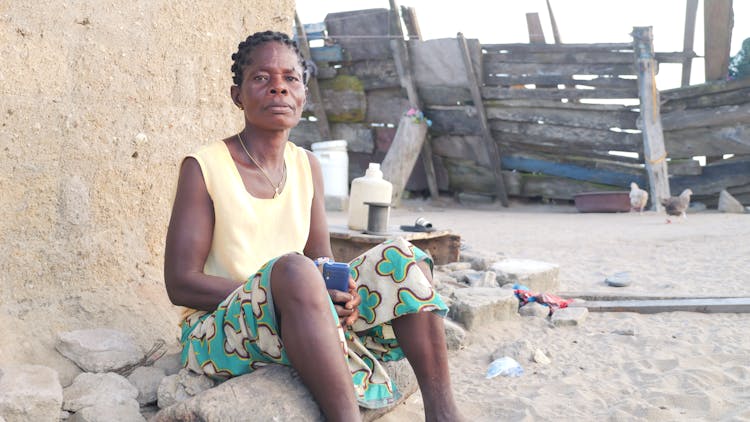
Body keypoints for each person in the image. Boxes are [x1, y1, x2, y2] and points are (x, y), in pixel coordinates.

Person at [164, 30, 462, 422]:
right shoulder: (204, 167)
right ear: (237, 95)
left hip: (300, 311)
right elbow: (179, 283)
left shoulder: (307, 165)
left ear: (303, 93)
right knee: (293, 269)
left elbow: (322, 262)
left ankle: (443, 415)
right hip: (219, 328)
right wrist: (281, 292)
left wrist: (342, 296)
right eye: (261, 78)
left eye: (291, 79)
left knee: (403, 257)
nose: (278, 89)